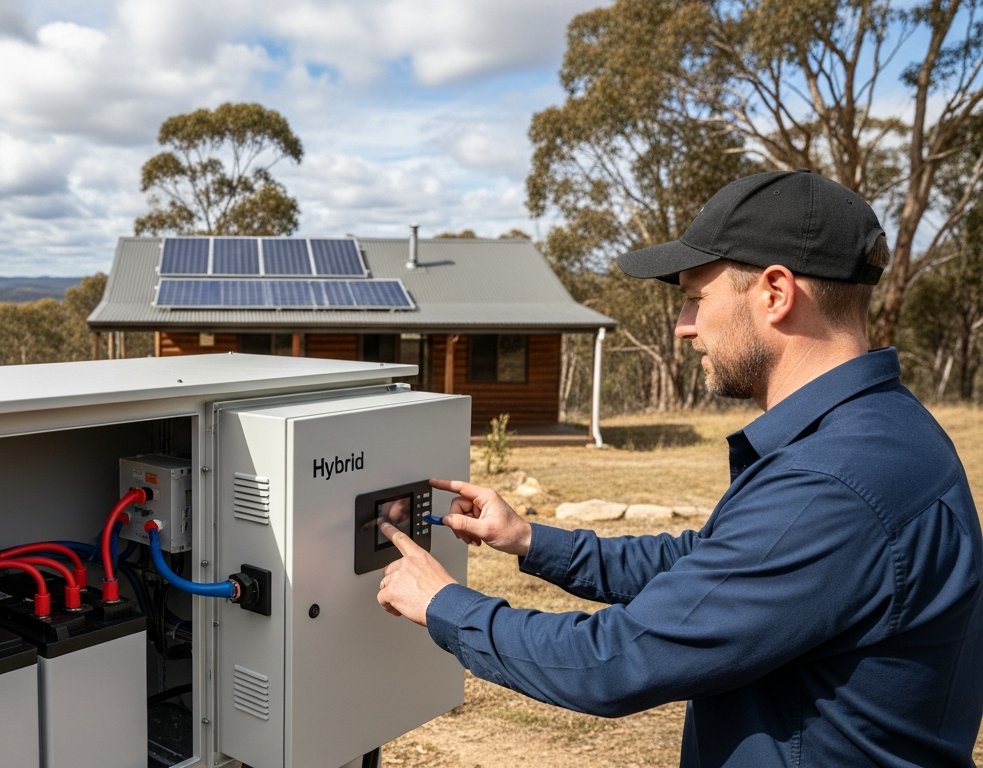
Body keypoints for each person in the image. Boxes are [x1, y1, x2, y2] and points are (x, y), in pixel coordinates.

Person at [376, 170, 983, 767]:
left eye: (697, 297)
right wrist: (530, 539)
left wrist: (443, 603)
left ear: (775, 293)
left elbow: (613, 663)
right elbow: (713, 565)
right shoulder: (883, 432)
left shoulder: (832, 483)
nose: (683, 325)